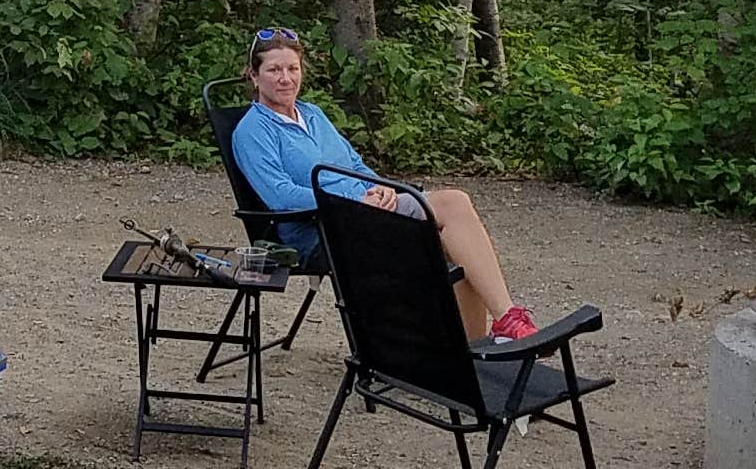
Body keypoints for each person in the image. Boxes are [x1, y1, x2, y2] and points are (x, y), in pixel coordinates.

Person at [227, 26, 540, 342]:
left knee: (458, 238)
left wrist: (381, 188)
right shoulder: (252, 131)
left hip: (367, 209)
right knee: (453, 214)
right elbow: (280, 196)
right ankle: (502, 325)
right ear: (254, 76)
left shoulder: (313, 114)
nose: (285, 78)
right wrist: (350, 204)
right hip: (322, 230)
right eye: (274, 70)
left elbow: (354, 164)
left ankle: (477, 346)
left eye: (293, 68)